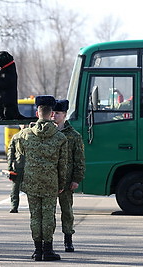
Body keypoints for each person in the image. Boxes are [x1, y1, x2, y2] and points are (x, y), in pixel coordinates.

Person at [18, 95, 68, 261]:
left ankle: (37, 250)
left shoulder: (25, 135)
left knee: (35, 216)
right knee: (48, 216)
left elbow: (20, 155)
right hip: (50, 182)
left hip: (31, 181)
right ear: (52, 113)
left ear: (36, 111)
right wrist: (61, 183)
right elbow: (63, 165)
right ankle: (48, 250)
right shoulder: (60, 138)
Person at [52, 100, 85, 252]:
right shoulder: (47, 133)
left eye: (57, 113)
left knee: (67, 211)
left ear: (64, 115)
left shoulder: (73, 136)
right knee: (48, 212)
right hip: (50, 180)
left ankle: (68, 239)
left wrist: (76, 179)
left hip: (66, 180)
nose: (54, 115)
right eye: (53, 112)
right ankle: (48, 240)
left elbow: (79, 159)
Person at [6, 124, 26, 213]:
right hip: (19, 165)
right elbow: (11, 152)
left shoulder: (34, 136)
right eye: (22, 124)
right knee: (15, 188)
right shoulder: (16, 137)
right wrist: (9, 166)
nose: (24, 126)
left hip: (32, 166)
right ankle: (14, 206)